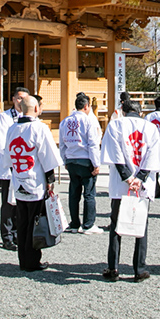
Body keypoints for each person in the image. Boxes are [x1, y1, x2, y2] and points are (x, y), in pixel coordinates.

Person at [101, 100, 160, 283]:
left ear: (123, 110)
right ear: (140, 112)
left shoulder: (115, 125)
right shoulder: (151, 128)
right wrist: (140, 177)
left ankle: (113, 268)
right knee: (141, 225)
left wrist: (127, 177)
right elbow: (153, 155)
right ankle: (140, 269)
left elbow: (115, 154)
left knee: (116, 226)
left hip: (122, 184)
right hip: (141, 184)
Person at [4, 96, 63, 272]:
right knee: (34, 221)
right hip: (35, 180)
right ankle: (32, 260)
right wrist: (50, 180)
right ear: (36, 108)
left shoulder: (12, 128)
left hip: (19, 178)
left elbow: (8, 157)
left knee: (21, 221)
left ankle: (23, 258)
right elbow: (48, 157)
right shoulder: (39, 128)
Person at [59, 93, 102, 234]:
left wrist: (65, 160)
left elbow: (62, 144)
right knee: (89, 193)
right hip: (85, 159)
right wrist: (96, 163)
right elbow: (93, 143)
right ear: (86, 106)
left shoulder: (65, 122)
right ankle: (88, 224)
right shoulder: (88, 121)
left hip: (71, 158)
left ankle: (74, 223)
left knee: (74, 193)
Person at [0, 87, 30, 251]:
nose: (21, 101)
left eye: (25, 98)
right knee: (8, 204)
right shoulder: (4, 117)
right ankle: (7, 236)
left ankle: (17, 233)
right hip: (10, 166)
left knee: (21, 203)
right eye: (19, 98)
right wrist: (11, 163)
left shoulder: (28, 117)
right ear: (13, 98)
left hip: (24, 167)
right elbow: (3, 143)